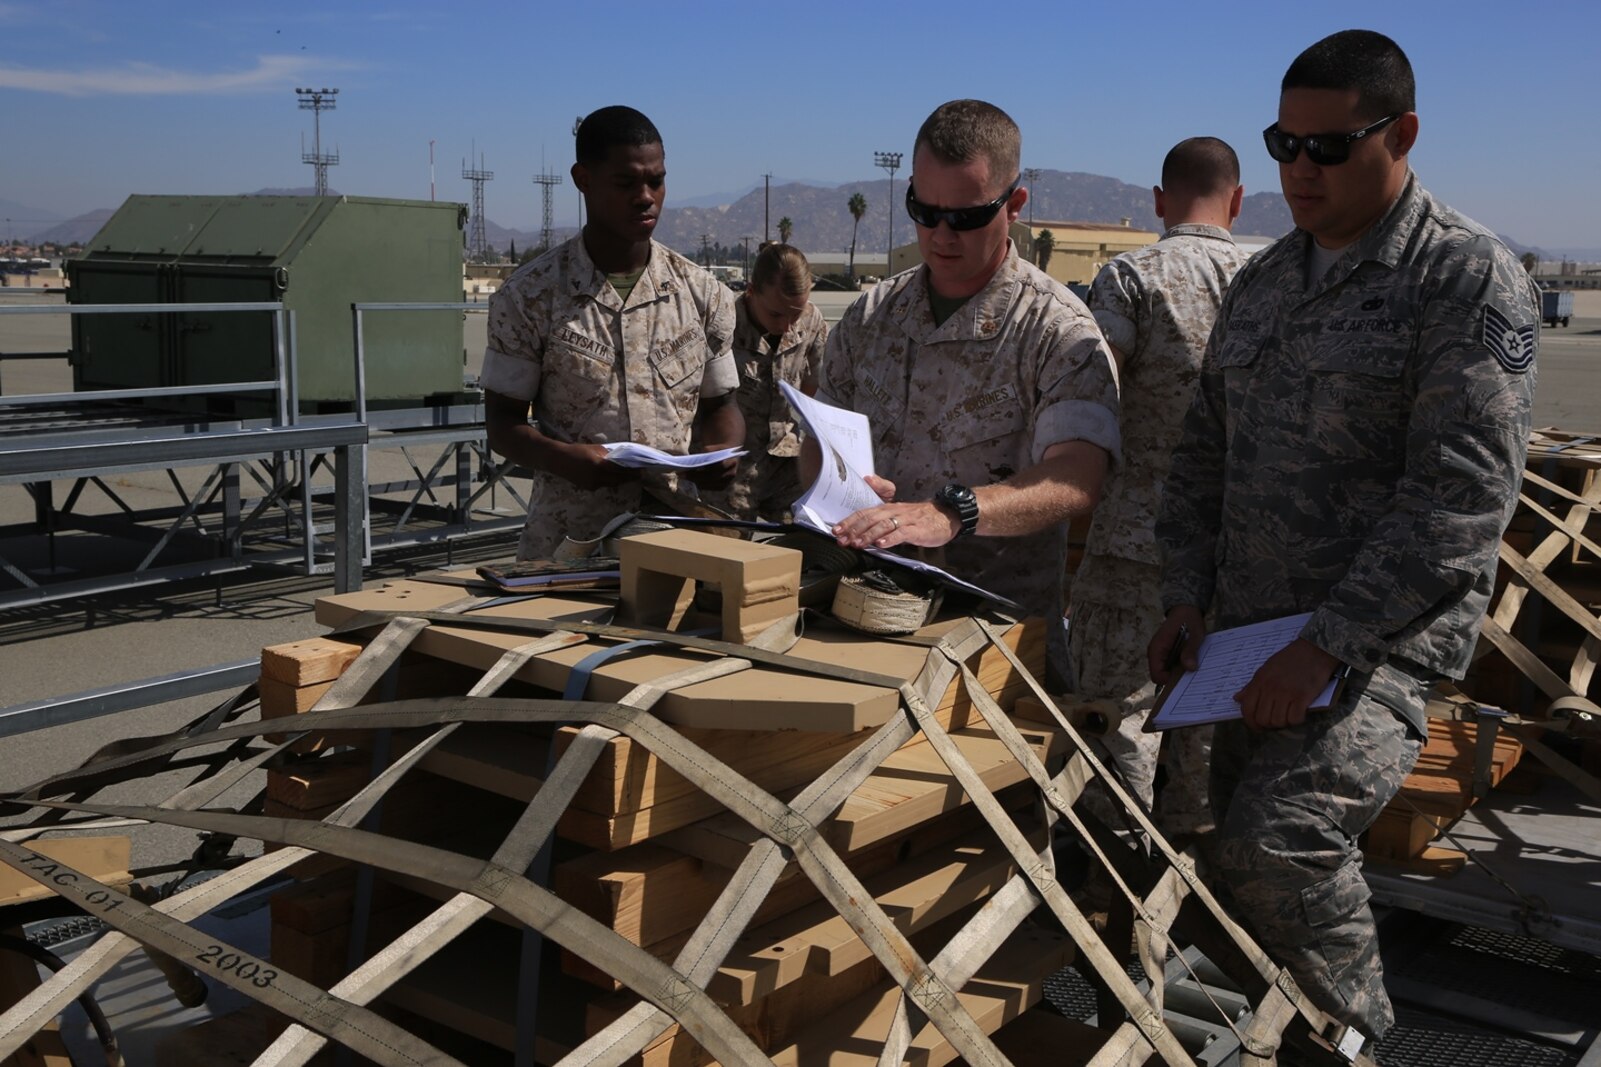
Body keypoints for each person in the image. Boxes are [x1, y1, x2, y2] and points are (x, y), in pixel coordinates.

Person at [1148, 30, 1537, 1050]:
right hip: (1238, 645)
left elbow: (1459, 499)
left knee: (1278, 846)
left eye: (1326, 147)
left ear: (1399, 134)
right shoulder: (1266, 280)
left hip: (1369, 651)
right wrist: (1181, 595)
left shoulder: (1459, 276)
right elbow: (1198, 458)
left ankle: (1353, 1038)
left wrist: (1323, 643)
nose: (1296, 170)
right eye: (1282, 144)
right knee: (1216, 874)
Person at [813, 99, 1120, 687]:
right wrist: (839, 478)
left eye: (966, 217)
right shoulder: (870, 316)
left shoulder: (1057, 331)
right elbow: (821, 432)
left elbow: (1078, 476)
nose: (941, 234)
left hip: (995, 648)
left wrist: (954, 513)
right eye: (923, 212)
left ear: (1015, 205)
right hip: (864, 624)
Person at [1074, 138, 1248, 838]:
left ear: (1157, 201)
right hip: (1237, 556)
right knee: (1206, 738)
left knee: (1114, 723)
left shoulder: (1130, 278)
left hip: (1132, 546)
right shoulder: (1271, 282)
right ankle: (1192, 896)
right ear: (1236, 200)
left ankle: (1112, 893)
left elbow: (1089, 397)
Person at [481, 106, 743, 560]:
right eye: (626, 184)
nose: (646, 197)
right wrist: (564, 460)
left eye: (656, 181)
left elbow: (722, 404)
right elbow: (502, 425)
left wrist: (723, 448)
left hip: (676, 536)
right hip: (570, 544)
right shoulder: (529, 297)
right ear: (583, 178)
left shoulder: (703, 295)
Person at [699, 243, 828, 521]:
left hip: (786, 465)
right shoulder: (723, 325)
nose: (787, 326)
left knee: (803, 548)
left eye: (796, 313)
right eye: (776, 314)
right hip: (732, 470)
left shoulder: (812, 320)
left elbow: (814, 387)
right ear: (751, 291)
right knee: (728, 551)